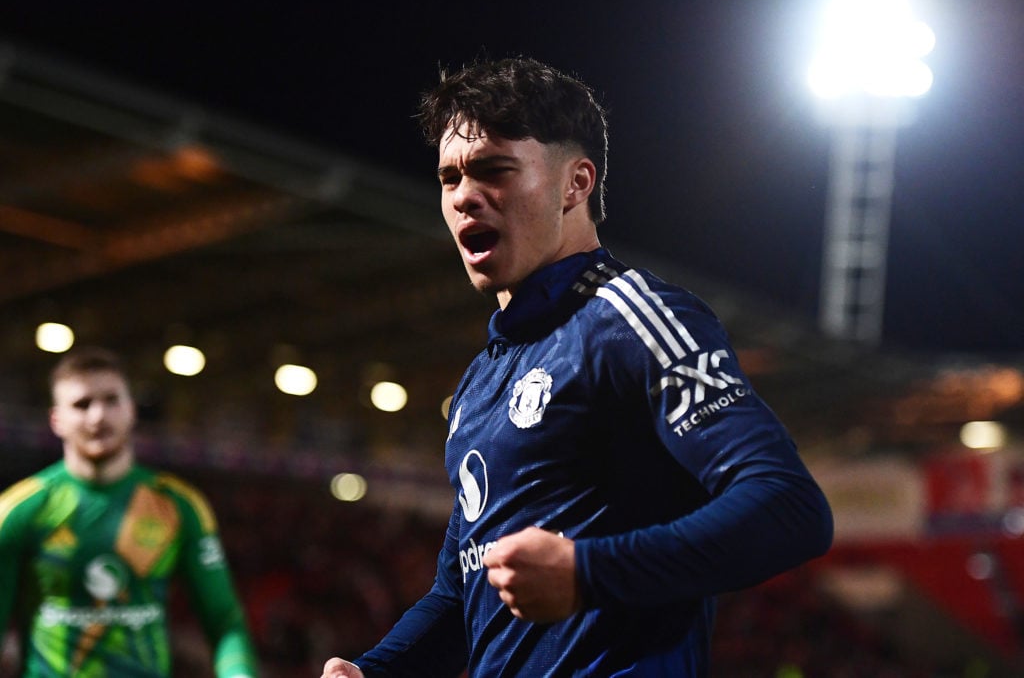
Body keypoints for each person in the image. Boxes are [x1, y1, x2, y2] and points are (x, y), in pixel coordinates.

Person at [321, 56, 833, 677]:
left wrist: (588, 573)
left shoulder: (632, 321)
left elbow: (789, 507)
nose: (464, 197)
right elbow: (461, 594)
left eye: (493, 171)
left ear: (575, 184)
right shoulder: (481, 382)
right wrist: (372, 671)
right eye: (449, 178)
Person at [0, 346, 259, 677]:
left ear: (132, 410)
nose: (98, 416)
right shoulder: (19, 510)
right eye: (82, 404)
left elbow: (224, 621)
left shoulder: (179, 506)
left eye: (111, 400)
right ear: (57, 420)